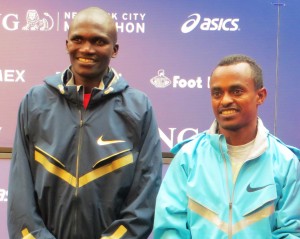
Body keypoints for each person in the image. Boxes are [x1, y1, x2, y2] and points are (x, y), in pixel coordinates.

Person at [7, 7, 162, 239]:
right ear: (67, 43)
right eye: (78, 39)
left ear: (115, 49)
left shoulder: (139, 108)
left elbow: (144, 198)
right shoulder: (35, 102)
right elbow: (20, 196)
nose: (86, 49)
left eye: (99, 41)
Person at [154, 54, 300, 238]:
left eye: (236, 91)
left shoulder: (286, 162)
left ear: (260, 96)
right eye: (217, 93)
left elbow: (291, 232)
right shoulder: (187, 158)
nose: (225, 100)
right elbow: (169, 229)